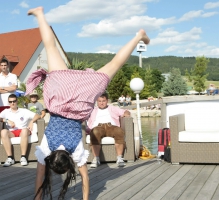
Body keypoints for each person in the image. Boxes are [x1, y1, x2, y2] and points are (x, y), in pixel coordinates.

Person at [26, 7, 149, 200]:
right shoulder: (46, 148)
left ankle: (138, 36)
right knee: (50, 48)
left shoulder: (75, 150)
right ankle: (40, 14)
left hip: (83, 96)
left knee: (115, 63)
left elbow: (84, 179)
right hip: (61, 92)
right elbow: (40, 177)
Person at [86, 93, 130, 168]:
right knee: (95, 132)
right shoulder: (92, 110)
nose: (101, 103)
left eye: (103, 101)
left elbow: (125, 111)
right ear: (97, 101)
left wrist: (126, 114)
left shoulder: (112, 108)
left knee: (119, 131)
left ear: (107, 101)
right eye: (99, 101)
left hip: (111, 126)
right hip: (98, 127)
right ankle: (96, 158)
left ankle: (119, 158)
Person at [0, 94, 41, 167]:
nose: (12, 103)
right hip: (12, 132)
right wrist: (7, 120)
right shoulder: (6, 111)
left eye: (14, 101)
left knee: (24, 130)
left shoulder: (23, 111)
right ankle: (10, 158)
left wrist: (31, 122)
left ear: (17, 101)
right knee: (3, 132)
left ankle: (23, 157)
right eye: (10, 101)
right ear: (8, 102)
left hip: (23, 131)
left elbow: (37, 116)